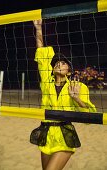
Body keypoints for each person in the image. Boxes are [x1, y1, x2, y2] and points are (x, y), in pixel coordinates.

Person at [30, 19, 96, 170]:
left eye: (64, 62)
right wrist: (39, 28)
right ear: (52, 70)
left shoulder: (78, 87)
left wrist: (76, 98)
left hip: (64, 134)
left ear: (70, 70)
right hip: (46, 133)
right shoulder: (47, 81)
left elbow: (89, 116)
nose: (60, 63)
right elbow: (42, 56)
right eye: (57, 63)